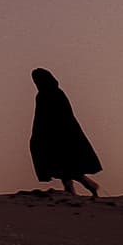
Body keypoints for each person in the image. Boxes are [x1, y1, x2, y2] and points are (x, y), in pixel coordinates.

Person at [29, 68, 101, 197]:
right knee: (63, 167)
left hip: (63, 136)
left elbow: (62, 116)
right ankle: (72, 190)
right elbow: (40, 118)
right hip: (54, 136)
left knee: (67, 167)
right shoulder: (44, 95)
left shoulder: (53, 94)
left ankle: (89, 186)